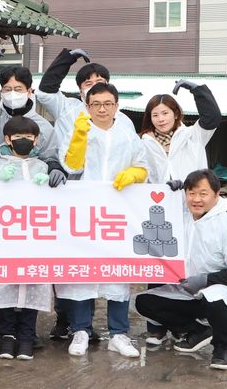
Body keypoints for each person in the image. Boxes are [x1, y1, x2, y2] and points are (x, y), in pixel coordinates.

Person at [0, 65, 68, 345]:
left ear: (30, 90)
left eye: (18, 89)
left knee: (32, 271)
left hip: (32, 217)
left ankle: (27, 330)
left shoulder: (44, 126)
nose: (12, 94)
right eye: (7, 89)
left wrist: (53, 169)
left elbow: (51, 156)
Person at [56, 82, 148, 358]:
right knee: (83, 270)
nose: (102, 109)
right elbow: (71, 165)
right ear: (87, 106)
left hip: (117, 211)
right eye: (95, 104)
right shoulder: (80, 129)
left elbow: (143, 166)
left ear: (117, 106)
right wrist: (79, 137)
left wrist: (134, 174)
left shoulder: (127, 133)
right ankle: (81, 330)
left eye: (108, 104)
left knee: (117, 272)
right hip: (84, 210)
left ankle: (118, 334)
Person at [135, 169, 227, 370]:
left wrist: (206, 280)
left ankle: (221, 349)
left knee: (215, 296)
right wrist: (169, 193)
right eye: (191, 193)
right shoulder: (184, 216)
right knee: (144, 302)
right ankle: (197, 330)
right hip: (190, 288)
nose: (196, 199)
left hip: (225, 291)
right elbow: (152, 211)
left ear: (216, 195)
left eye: (203, 193)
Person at [139, 80, 222, 344]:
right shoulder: (144, 142)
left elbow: (213, 116)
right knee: (158, 266)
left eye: (165, 113)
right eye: (155, 114)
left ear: (176, 114)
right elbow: (142, 175)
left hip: (192, 213)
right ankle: (156, 327)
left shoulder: (193, 136)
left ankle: (181, 324)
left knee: (186, 269)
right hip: (160, 215)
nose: (161, 119)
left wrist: (197, 90)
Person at [0, 116, 56, 360]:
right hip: (5, 237)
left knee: (32, 281)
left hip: (35, 238)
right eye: (18, 137)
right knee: (5, 281)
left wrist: (46, 186)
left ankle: (27, 335)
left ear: (36, 140)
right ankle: (7, 335)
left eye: (28, 137)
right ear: (7, 139)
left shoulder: (42, 167)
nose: (23, 141)